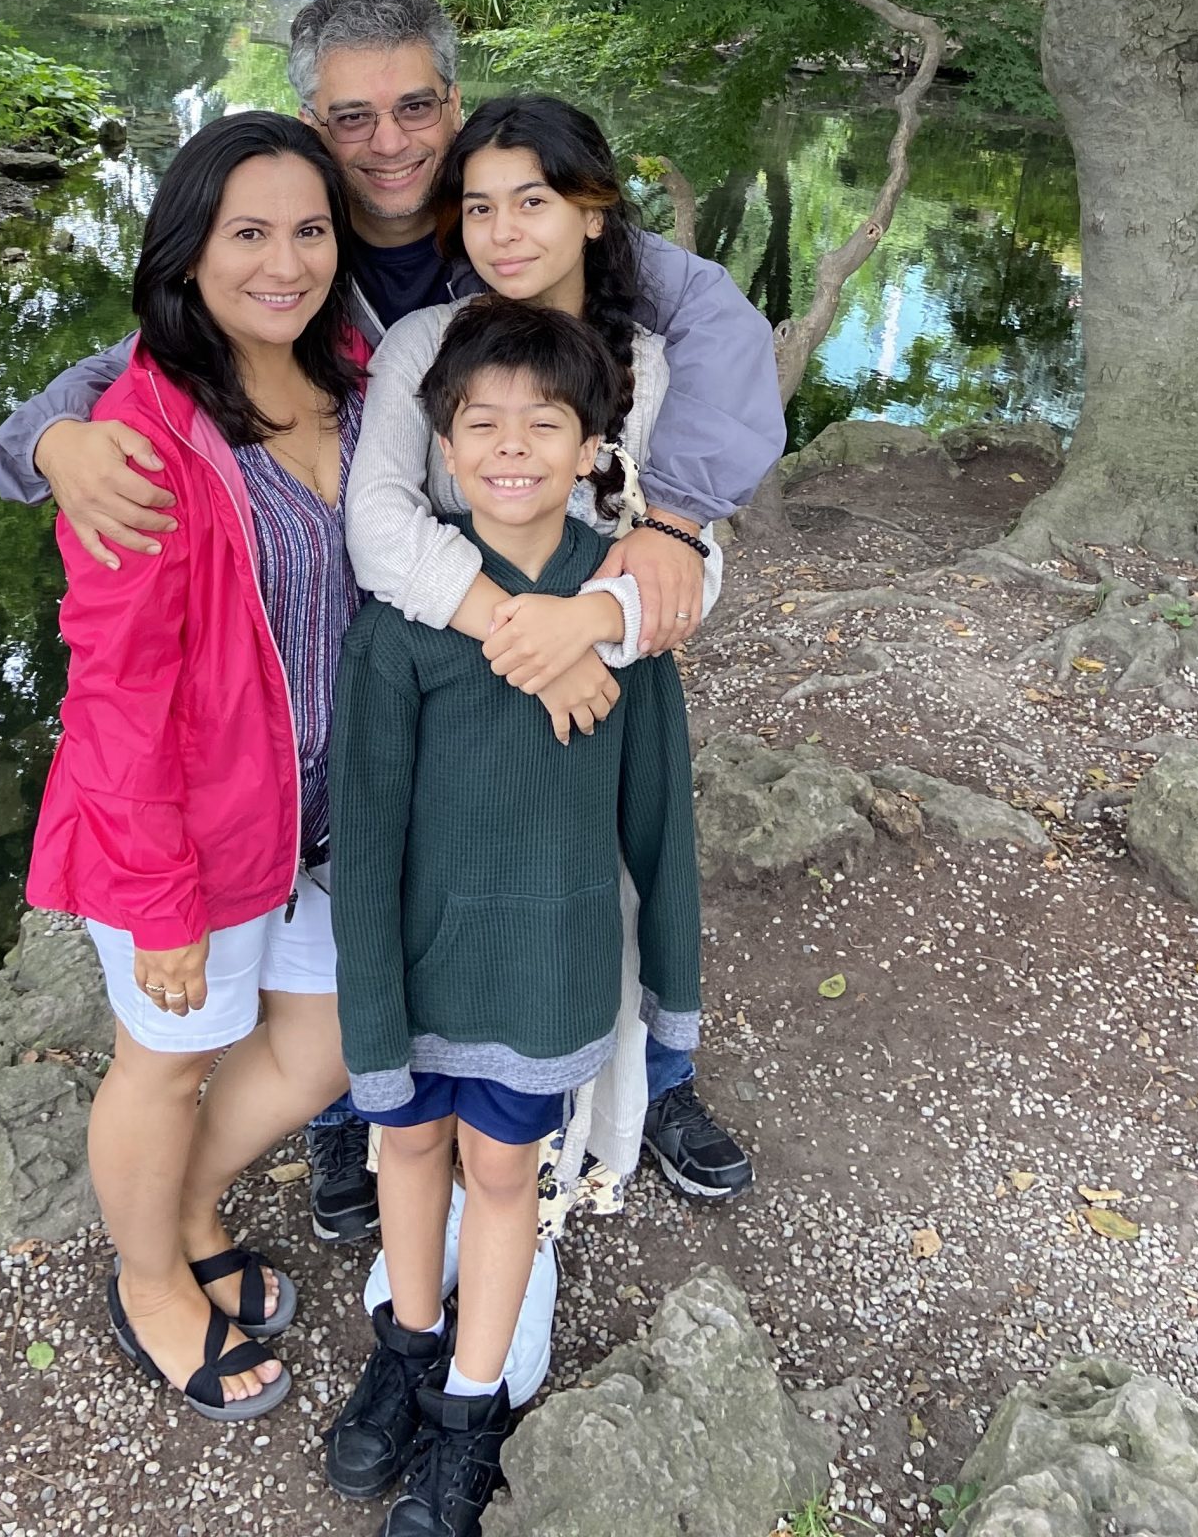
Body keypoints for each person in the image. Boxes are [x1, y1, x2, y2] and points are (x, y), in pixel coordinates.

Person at [0, 0, 785, 1235]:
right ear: (314, 121)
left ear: (453, 103)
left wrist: (676, 522)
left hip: (580, 623)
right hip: (397, 650)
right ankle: (362, 1116)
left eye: (414, 107)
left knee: (607, 869)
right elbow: (158, 346)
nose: (390, 141)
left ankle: (646, 1082)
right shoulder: (305, 241)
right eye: (351, 117)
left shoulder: (532, 219)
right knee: (398, 881)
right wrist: (46, 439)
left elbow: (720, 335)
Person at [324, 302, 702, 1534]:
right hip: (418, 966)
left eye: (544, 424)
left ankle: (467, 1408)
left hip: (547, 968)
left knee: (501, 1173)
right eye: (481, 424)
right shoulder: (402, 624)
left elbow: (660, 821)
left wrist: (676, 993)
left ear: (594, 447)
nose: (511, 448)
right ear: (442, 445)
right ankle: (407, 1344)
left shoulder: (622, 612)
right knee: (407, 1151)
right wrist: (369, 1010)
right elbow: (365, 839)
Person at [24, 110, 362, 1424]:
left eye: (310, 230)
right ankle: (152, 1281)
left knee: (320, 1049)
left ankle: (188, 1204)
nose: (285, 262)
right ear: (188, 250)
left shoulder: (357, 375)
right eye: (248, 233)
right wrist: (160, 896)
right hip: (191, 831)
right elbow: (117, 693)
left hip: (329, 820)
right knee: (166, 1061)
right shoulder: (139, 438)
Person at [344, 92, 738, 1211]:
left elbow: (691, 564)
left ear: (594, 212)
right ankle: (411, 1173)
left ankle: (582, 1158)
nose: (504, 231)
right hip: (456, 706)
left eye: (533, 201)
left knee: (600, 924)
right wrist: (532, 636)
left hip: (599, 713)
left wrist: (588, 628)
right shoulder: (424, 347)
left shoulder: (648, 364)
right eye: (478, 207)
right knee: (439, 932)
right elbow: (377, 525)